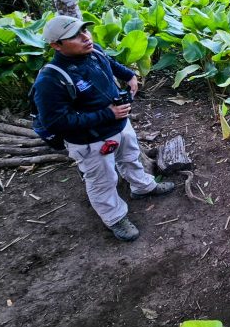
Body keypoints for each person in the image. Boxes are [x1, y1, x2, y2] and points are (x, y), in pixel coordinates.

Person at [33, 15, 174, 242]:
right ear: (56, 45)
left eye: (85, 31)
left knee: (130, 158)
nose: (85, 38)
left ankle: (142, 187)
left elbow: (109, 63)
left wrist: (129, 76)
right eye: (75, 37)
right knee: (103, 180)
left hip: (120, 124)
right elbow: (56, 122)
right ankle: (115, 218)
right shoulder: (51, 80)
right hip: (90, 140)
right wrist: (107, 114)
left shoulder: (94, 51)